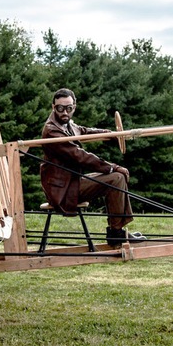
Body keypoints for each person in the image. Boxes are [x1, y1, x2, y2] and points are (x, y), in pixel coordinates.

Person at [39, 88, 146, 247]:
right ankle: (116, 233)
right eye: (60, 108)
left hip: (72, 182)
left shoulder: (67, 124)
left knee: (118, 177)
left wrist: (111, 134)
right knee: (116, 177)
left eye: (69, 108)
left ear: (74, 107)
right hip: (62, 190)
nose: (65, 112)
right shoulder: (52, 130)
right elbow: (80, 156)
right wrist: (113, 167)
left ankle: (117, 231)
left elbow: (84, 131)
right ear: (53, 107)